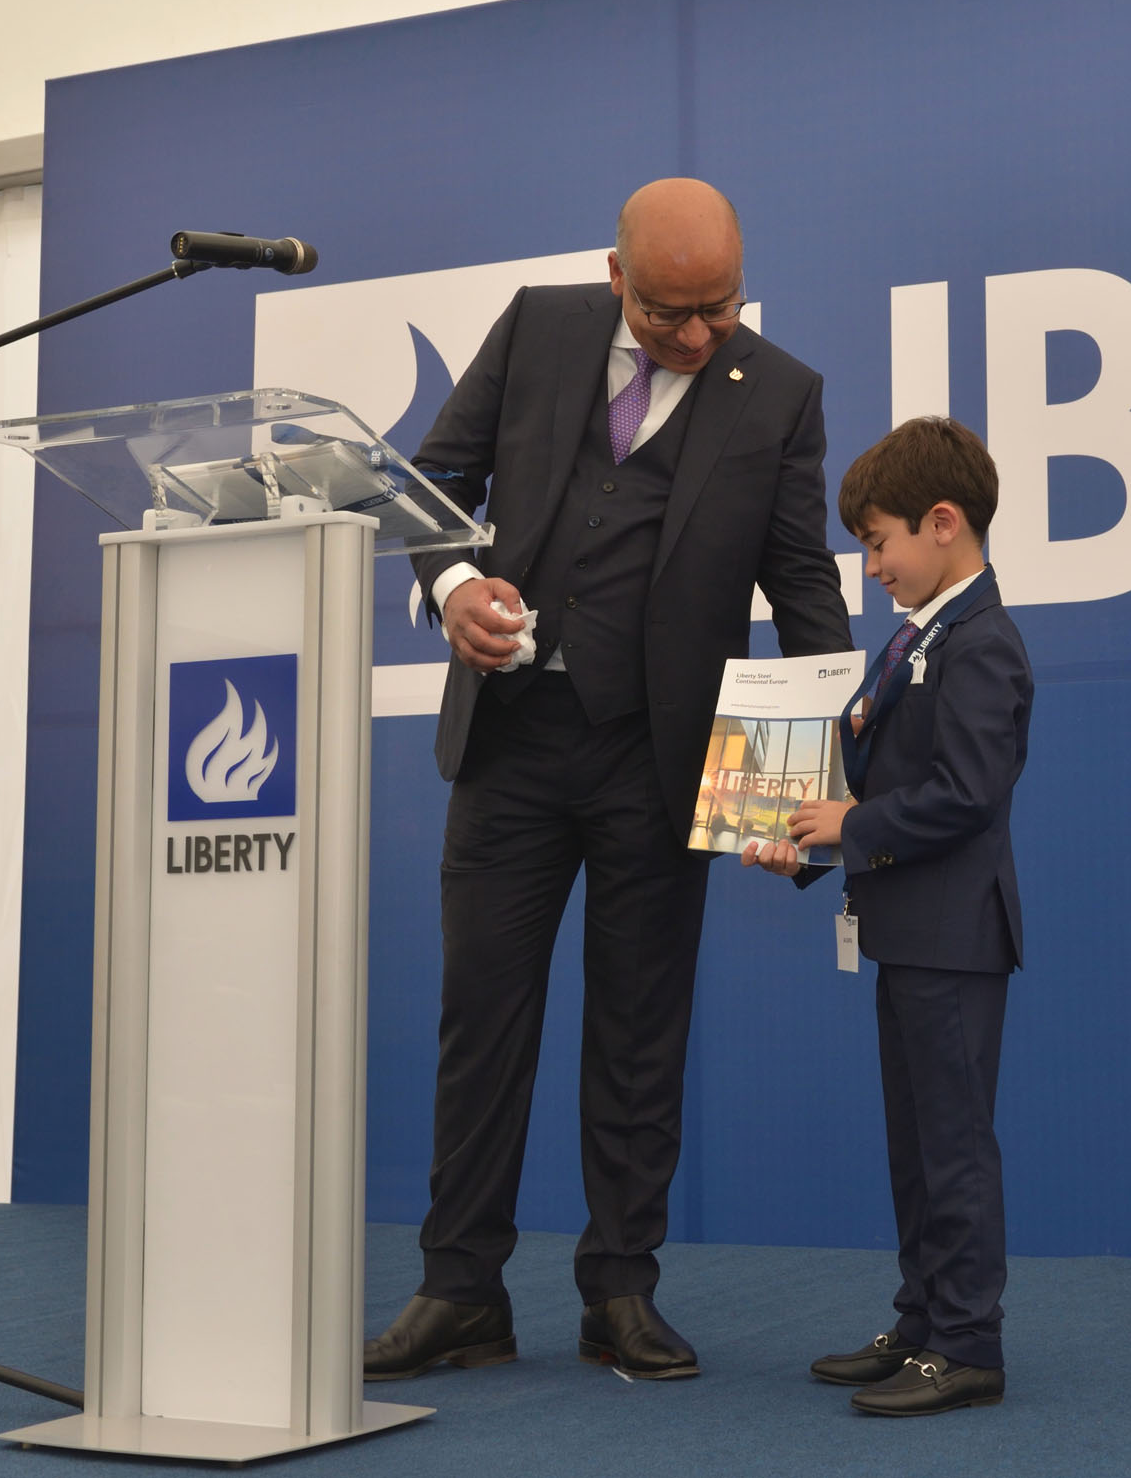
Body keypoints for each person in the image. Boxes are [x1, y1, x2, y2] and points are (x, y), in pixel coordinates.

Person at [363, 179, 852, 1383]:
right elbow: (430, 482)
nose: (697, 333)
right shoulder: (537, 325)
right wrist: (451, 589)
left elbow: (802, 586)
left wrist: (808, 788)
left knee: (641, 1037)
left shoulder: (782, 393)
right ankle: (459, 1291)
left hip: (662, 761)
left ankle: (620, 1290)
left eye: (720, 307)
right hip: (512, 744)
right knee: (482, 1025)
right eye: (669, 311)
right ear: (615, 275)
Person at [745, 414, 1033, 1416]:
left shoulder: (981, 642)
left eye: (879, 543)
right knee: (916, 1146)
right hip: (908, 932)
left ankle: (969, 1343)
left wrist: (852, 822)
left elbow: (967, 793)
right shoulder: (921, 636)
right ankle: (923, 1321)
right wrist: (801, 839)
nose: (871, 568)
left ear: (942, 522)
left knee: (954, 1145)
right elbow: (876, 778)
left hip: (954, 939)